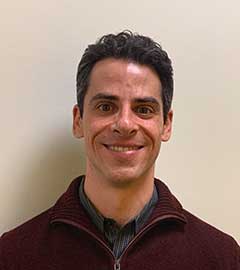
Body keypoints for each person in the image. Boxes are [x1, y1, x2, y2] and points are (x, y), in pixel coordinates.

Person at [0, 31, 239, 270]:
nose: (125, 124)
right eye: (106, 106)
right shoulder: (12, 256)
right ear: (78, 120)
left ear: (166, 125)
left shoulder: (221, 258)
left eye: (144, 109)